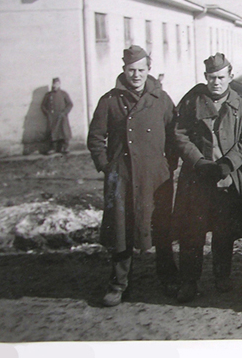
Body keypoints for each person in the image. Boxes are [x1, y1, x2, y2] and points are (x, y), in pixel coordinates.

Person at [87, 45, 177, 306]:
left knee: (161, 228)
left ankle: (168, 277)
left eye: (141, 70)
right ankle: (118, 284)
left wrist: (167, 166)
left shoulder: (162, 99)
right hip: (122, 176)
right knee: (121, 229)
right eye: (131, 70)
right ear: (123, 69)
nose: (136, 75)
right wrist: (107, 167)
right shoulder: (110, 100)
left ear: (149, 70)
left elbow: (174, 135)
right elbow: (95, 137)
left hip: (155, 177)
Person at [172, 53, 242, 303]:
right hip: (197, 179)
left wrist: (231, 162)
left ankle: (222, 275)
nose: (215, 82)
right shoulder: (191, 102)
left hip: (228, 178)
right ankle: (189, 281)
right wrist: (198, 162)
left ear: (230, 76)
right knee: (192, 232)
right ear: (205, 78)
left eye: (220, 77)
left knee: (224, 231)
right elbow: (180, 135)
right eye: (211, 78)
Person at [41, 77, 73, 154]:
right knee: (53, 133)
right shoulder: (48, 95)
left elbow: (70, 104)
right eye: (54, 84)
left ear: (59, 84)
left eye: (56, 84)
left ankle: (65, 148)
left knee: (64, 132)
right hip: (52, 118)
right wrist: (47, 114)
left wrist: (64, 113)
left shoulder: (63, 94)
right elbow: (43, 106)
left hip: (62, 117)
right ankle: (52, 148)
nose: (55, 85)